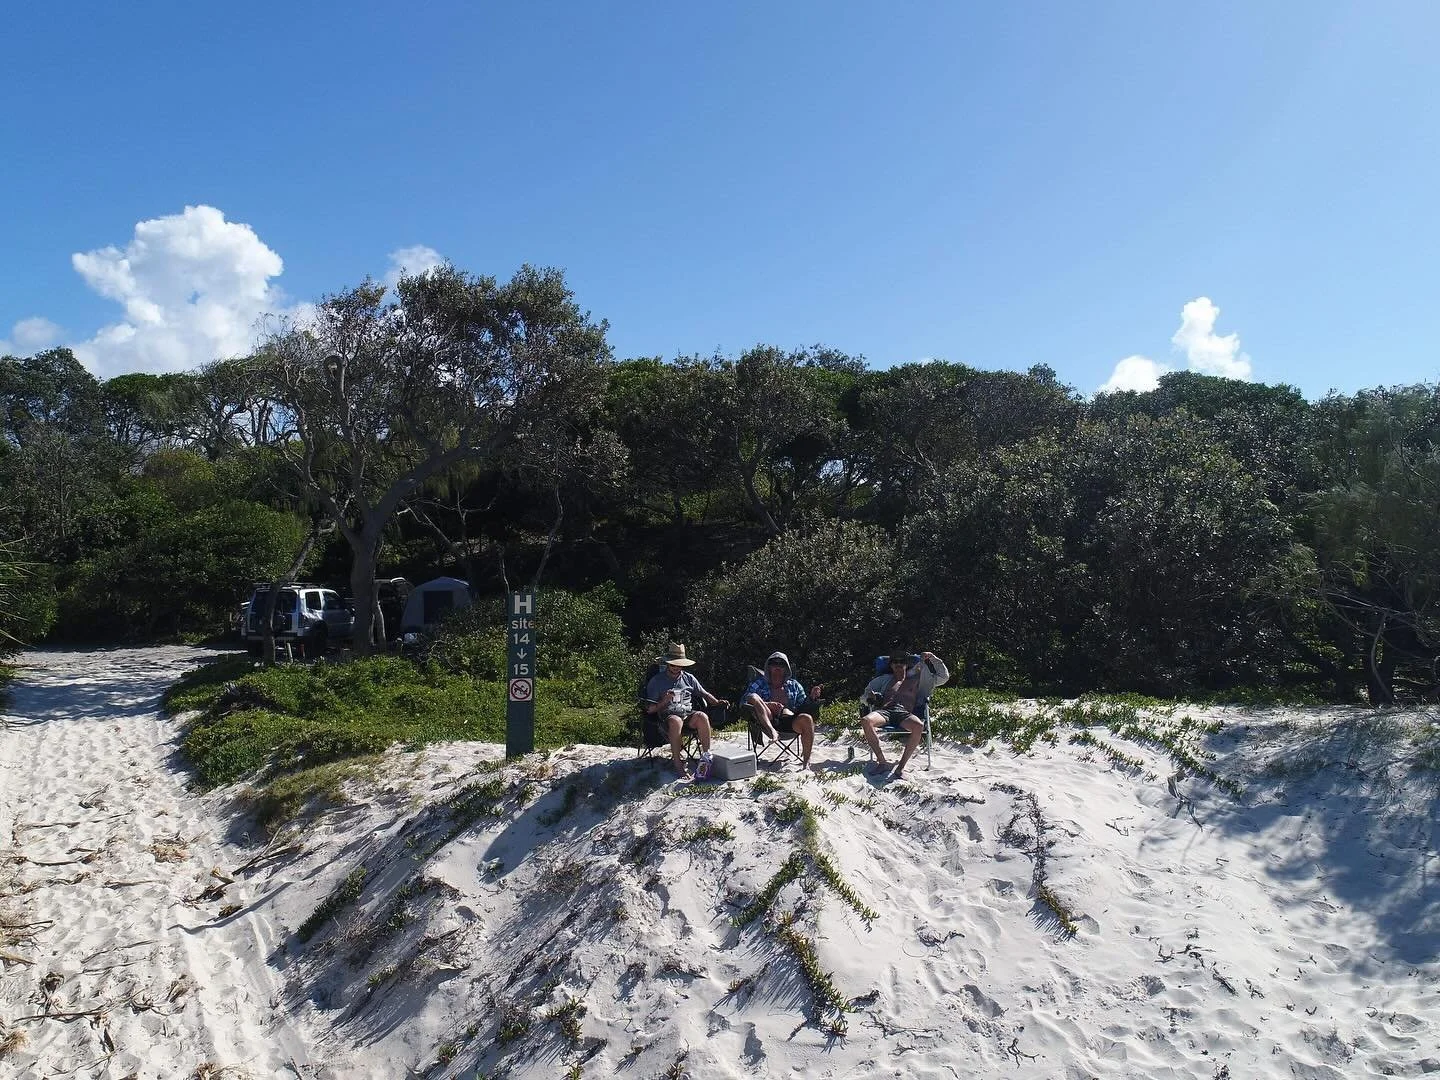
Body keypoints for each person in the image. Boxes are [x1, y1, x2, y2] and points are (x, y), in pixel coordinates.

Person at [860, 650, 949, 779]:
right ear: (891, 665)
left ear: (907, 665)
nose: (898, 664)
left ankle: (900, 767)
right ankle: (882, 762)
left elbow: (944, 677)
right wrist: (871, 698)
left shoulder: (918, 679)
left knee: (919, 726)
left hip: (905, 713)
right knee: (866, 721)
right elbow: (864, 696)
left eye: (902, 661)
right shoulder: (883, 679)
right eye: (895, 662)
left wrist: (933, 658)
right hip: (885, 711)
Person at [644, 643, 728, 778]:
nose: (676, 667)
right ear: (668, 664)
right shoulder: (657, 681)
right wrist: (664, 701)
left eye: (679, 665)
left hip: (687, 714)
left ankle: (706, 758)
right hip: (667, 718)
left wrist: (717, 702)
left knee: (702, 716)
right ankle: (678, 764)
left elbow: (704, 694)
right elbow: (649, 709)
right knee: (676, 720)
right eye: (673, 664)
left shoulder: (688, 678)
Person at [743, 651, 822, 769]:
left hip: (790, 721)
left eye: (781, 664)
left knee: (807, 718)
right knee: (753, 696)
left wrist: (812, 697)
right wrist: (767, 704)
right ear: (769, 667)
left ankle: (806, 762)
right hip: (767, 720)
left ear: (786, 668)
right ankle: (773, 732)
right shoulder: (759, 684)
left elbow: (802, 706)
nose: (778, 667)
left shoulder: (794, 685)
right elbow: (745, 700)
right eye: (774, 664)